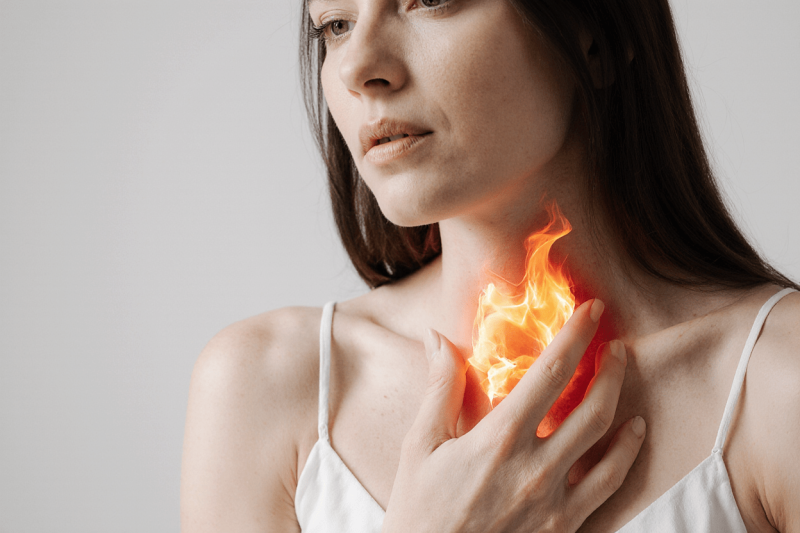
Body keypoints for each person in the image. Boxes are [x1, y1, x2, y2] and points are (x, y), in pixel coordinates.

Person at [180, 0, 800, 531]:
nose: (357, 68)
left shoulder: (778, 385)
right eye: (335, 25)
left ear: (595, 37)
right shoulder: (265, 389)